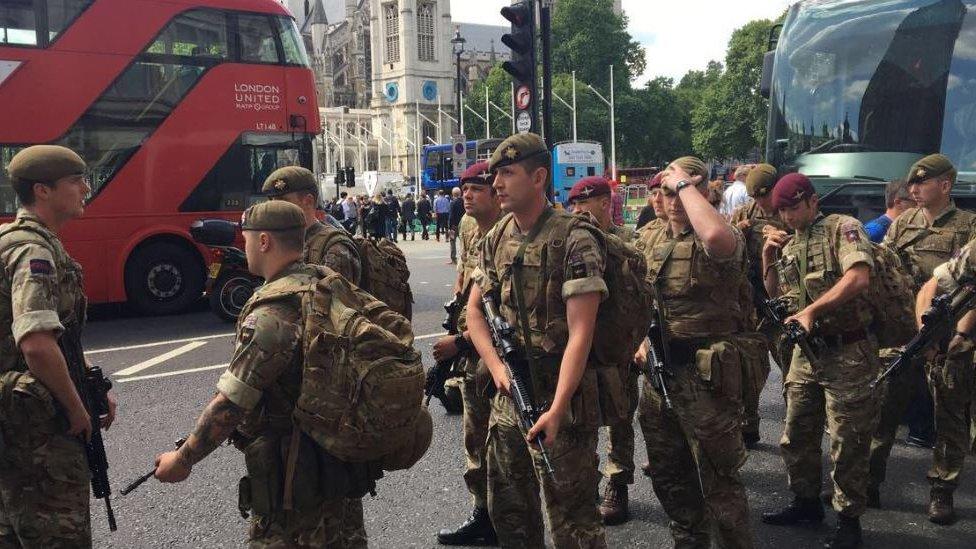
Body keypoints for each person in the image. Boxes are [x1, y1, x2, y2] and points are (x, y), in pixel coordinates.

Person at [155, 200, 366, 548]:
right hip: (339, 464)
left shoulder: (274, 312)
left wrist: (182, 459)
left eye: (247, 237)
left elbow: (231, 404)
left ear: (264, 241)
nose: (245, 245)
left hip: (295, 481)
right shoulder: (328, 285)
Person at [465, 133, 608, 548]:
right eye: (495, 175)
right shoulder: (495, 237)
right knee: (511, 513)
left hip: (563, 396)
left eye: (507, 173)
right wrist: (495, 367)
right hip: (510, 393)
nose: (496, 184)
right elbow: (476, 311)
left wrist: (559, 407)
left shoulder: (575, 238)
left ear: (539, 177)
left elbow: (582, 331)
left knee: (573, 522)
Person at [0, 145, 118, 547]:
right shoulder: (34, 252)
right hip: (36, 432)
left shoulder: (13, 241)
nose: (86, 188)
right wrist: (76, 407)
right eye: (75, 181)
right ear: (42, 191)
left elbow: (59, 336)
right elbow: (36, 343)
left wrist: (87, 382)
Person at [633, 156, 754, 549]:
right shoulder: (650, 237)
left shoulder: (720, 234)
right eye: (665, 191)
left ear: (701, 190)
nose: (671, 199)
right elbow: (633, 299)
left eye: (679, 190)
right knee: (670, 476)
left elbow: (719, 241)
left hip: (706, 380)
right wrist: (638, 341)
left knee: (720, 482)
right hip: (659, 377)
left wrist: (687, 185)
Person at [760, 173, 878, 549]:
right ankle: (806, 502)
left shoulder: (843, 228)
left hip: (848, 351)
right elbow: (777, 295)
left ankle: (849, 520)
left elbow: (858, 277)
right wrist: (768, 256)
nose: (788, 217)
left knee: (848, 439)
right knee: (796, 432)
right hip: (806, 353)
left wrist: (812, 311)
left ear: (812, 201)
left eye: (794, 207)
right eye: (782, 211)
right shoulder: (791, 243)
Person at [878, 154, 976, 523]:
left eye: (921, 183)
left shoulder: (969, 226)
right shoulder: (903, 224)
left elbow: (973, 288)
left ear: (946, 185)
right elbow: (885, 272)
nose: (913, 190)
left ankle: (942, 492)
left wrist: (963, 335)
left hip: (949, 335)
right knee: (883, 407)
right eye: (912, 184)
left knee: (949, 417)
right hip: (905, 332)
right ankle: (868, 481)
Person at [433, 162, 504, 546]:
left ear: (495, 192)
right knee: (475, 435)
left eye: (476, 188)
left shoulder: (507, 234)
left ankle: (514, 519)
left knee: (509, 443)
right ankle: (484, 513)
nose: (467, 195)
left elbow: (510, 311)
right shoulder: (466, 227)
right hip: (471, 345)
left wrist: (459, 342)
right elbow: (464, 281)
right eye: (463, 189)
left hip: (502, 354)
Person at [567, 175, 638, 525]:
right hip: (583, 344)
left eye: (586, 202)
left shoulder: (625, 241)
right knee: (582, 415)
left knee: (620, 416)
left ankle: (618, 481)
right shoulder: (572, 241)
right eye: (574, 204)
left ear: (605, 202)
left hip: (617, 346)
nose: (578, 210)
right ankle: (588, 479)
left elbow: (642, 298)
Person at [729, 163, 790, 447]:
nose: (760, 202)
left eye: (764, 195)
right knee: (750, 367)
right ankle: (748, 423)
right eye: (755, 196)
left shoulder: (790, 211)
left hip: (782, 300)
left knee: (791, 364)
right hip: (750, 302)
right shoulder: (744, 214)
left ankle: (797, 424)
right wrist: (736, 232)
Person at [261, 166, 362, 284]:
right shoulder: (283, 243)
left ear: (308, 201)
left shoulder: (334, 248)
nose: (274, 209)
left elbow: (337, 298)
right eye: (272, 202)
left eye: (282, 202)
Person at [447, 187, 464, 264]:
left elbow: (451, 216)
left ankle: (453, 258)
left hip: (453, 226)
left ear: (453, 194)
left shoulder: (452, 203)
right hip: (463, 225)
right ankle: (464, 258)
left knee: (452, 241)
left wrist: (449, 227)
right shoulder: (464, 202)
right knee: (463, 241)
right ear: (460, 193)